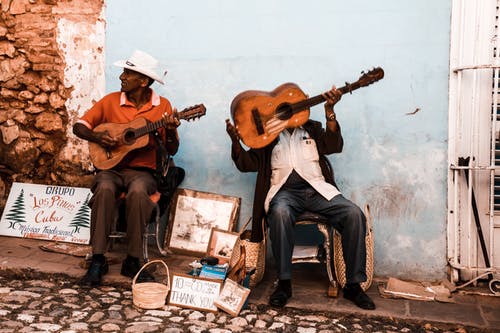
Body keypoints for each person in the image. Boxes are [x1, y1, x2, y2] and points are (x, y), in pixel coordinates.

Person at [225, 86, 375, 310]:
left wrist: (330, 112)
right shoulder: (267, 136)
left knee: (353, 213)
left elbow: (334, 145)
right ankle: (284, 283)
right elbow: (247, 164)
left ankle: (353, 285)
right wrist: (236, 142)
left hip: (318, 191)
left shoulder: (312, 129)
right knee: (280, 212)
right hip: (284, 194)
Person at [73, 50, 180, 287]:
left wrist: (170, 129)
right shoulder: (111, 100)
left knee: (139, 192)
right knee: (103, 188)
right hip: (110, 169)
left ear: (143, 81)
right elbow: (79, 127)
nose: (121, 77)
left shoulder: (162, 107)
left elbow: (172, 149)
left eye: (127, 73)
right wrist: (99, 138)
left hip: (143, 173)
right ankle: (98, 260)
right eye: (123, 72)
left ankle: (133, 260)